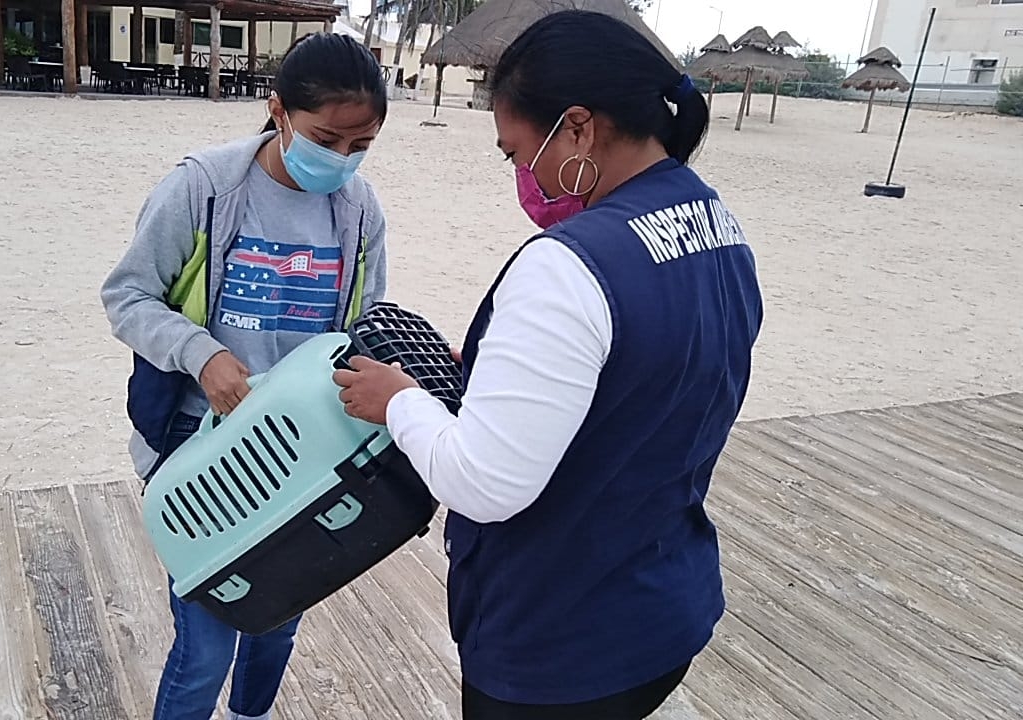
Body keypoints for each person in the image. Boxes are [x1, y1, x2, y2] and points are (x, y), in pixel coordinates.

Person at [333, 11, 763, 720]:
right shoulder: (716, 224)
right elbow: (658, 372)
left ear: (579, 129)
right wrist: (511, 371)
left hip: (559, 637)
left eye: (514, 152)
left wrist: (399, 399)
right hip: (663, 601)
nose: (520, 174)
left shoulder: (569, 264)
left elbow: (484, 483)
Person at [101, 33, 389, 720]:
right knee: (204, 644)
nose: (342, 160)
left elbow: (368, 321)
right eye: (327, 139)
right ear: (278, 109)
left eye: (362, 146)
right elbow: (127, 297)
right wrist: (201, 354)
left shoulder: (359, 211)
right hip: (200, 444)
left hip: (303, 452)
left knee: (278, 616)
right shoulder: (204, 186)